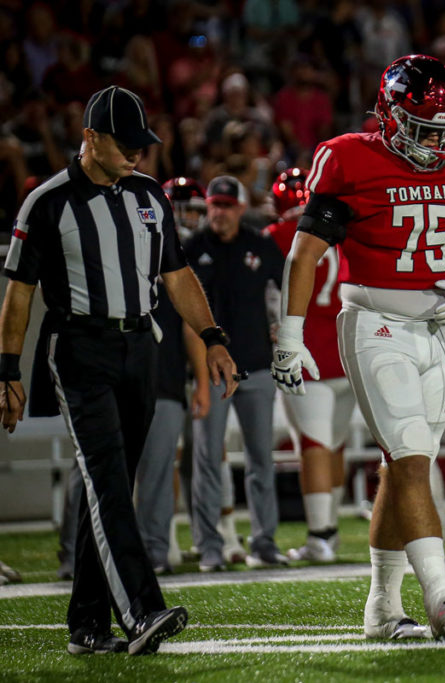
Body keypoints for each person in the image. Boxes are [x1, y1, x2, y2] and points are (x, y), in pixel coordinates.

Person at [272, 55, 445, 640]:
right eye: (423, 129)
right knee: (412, 457)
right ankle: (440, 591)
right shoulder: (349, 158)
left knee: (403, 466)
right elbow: (304, 254)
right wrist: (289, 337)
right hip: (376, 322)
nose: (438, 143)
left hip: (437, 331)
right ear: (389, 117)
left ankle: (382, 608)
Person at [0, 85, 239, 654]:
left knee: (108, 483)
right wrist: (8, 370)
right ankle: (141, 610)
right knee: (106, 477)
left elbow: (176, 274)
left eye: (141, 142)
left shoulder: (148, 194)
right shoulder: (48, 201)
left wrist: (212, 337)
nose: (136, 152)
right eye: (124, 142)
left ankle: (87, 624)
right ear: (90, 137)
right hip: (80, 347)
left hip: (140, 346)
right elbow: (19, 294)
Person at [183, 174, 286, 572]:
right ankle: (210, 546)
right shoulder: (193, 248)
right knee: (207, 460)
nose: (219, 212)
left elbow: (287, 286)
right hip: (210, 373)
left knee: (261, 459)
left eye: (227, 205)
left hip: (256, 366)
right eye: (215, 205)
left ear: (241, 208)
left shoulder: (260, 245)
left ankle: (264, 542)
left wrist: (282, 330)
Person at [265, 167, 356, 563]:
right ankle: (329, 530)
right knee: (334, 445)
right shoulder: (343, 230)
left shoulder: (277, 235)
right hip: (346, 349)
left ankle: (321, 535)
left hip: (307, 350)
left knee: (314, 446)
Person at [132, 178, 211, 575]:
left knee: (169, 465)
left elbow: (191, 327)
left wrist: (201, 380)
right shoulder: (138, 246)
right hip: (123, 370)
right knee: (97, 470)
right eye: (186, 210)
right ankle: (82, 555)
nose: (191, 218)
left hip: (166, 376)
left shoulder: (194, 255)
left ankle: (160, 548)